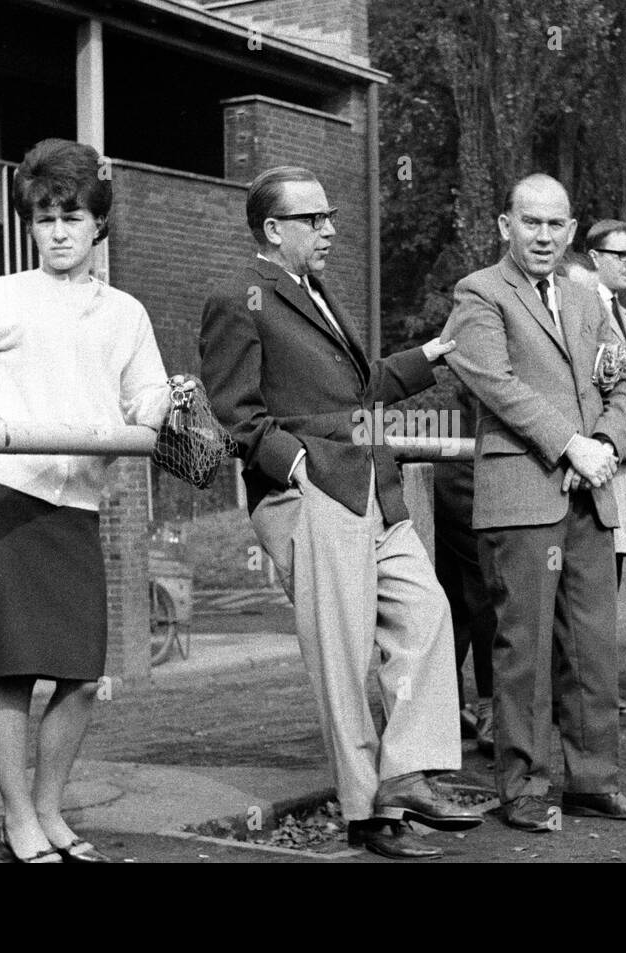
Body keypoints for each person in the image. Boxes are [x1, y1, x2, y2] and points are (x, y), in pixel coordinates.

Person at [199, 166, 481, 860]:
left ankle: (406, 775)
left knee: (427, 615)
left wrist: (434, 353)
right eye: (314, 219)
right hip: (314, 493)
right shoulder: (238, 300)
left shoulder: (314, 290)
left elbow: (361, 387)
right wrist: (300, 466)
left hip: (373, 489)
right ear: (273, 229)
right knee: (344, 658)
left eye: (328, 218)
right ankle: (368, 814)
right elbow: (238, 417)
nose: (329, 230)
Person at [0, 138, 171, 863]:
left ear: (98, 221)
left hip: (77, 510)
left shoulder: (126, 313)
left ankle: (49, 808)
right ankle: (17, 819)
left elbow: (151, 394)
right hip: (3, 501)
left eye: (72, 215)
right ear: (30, 225)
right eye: (44, 218)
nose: (59, 230)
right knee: (13, 669)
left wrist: (151, 414)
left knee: (79, 673)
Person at [442, 173, 626, 832]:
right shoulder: (478, 293)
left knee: (593, 650)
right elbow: (495, 385)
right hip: (522, 496)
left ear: (571, 230)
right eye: (529, 222)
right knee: (523, 652)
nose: (542, 235)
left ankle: (594, 779)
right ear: (505, 225)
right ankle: (525, 787)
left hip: (589, 495)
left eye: (554, 223)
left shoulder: (588, 295)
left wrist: (602, 445)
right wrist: (569, 445)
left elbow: (623, 383)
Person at [431, 367, 497, 756]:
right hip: (469, 480)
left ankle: (446, 708)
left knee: (453, 602)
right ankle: (491, 709)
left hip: (453, 476)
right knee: (493, 597)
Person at [585, 220, 626, 584]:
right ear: (593, 257)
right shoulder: (585, 305)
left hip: (618, 454)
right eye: (620, 254)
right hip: (595, 457)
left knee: (611, 576)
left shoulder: (617, 308)